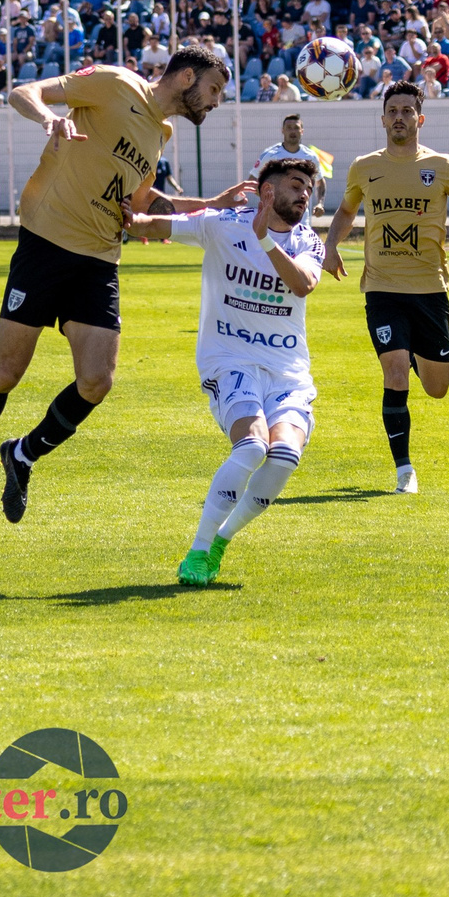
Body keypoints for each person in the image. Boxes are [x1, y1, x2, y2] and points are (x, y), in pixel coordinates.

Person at [0, 44, 243, 532]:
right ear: (187, 78)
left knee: (97, 381)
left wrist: (212, 203)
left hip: (99, 259)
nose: (215, 101)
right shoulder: (113, 83)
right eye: (213, 90)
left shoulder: (160, 133)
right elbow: (25, 91)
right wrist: (48, 120)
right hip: (45, 244)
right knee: (4, 374)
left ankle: (21, 455)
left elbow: (144, 204)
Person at [125, 154, 326, 584]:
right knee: (252, 448)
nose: (304, 194)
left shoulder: (309, 241)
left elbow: (304, 283)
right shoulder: (223, 224)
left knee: (285, 455)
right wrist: (129, 215)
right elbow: (153, 225)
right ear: (267, 192)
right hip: (230, 359)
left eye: (308, 188)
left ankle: (221, 540)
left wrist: (267, 243)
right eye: (295, 185)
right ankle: (198, 553)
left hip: (287, 370)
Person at [321, 79, 449, 494]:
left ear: (420, 118)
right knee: (395, 373)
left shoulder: (443, 166)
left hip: (430, 289)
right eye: (393, 111)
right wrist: (331, 245)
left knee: (437, 389)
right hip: (382, 288)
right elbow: (344, 212)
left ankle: (414, 350)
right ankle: (404, 470)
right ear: (382, 119)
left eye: (407, 111)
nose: (399, 117)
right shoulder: (364, 167)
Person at [253, 111, 334, 185]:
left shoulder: (310, 156)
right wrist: (267, 199)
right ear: (282, 130)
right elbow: (253, 180)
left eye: (296, 128)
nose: (292, 131)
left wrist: (320, 201)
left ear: (302, 131)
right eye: (289, 127)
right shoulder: (270, 155)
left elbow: (320, 182)